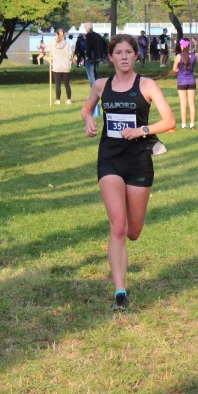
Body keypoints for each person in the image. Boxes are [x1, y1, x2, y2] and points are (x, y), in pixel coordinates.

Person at [81, 34, 175, 311]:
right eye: (118, 52)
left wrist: (141, 130)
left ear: (136, 55)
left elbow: (169, 121)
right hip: (109, 160)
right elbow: (86, 108)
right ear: (110, 57)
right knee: (119, 227)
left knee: (133, 231)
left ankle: (121, 284)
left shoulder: (147, 85)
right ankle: (120, 293)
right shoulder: (101, 85)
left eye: (128, 52)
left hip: (138, 162)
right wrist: (88, 119)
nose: (123, 57)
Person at [172, 36, 197, 129]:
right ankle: (192, 124)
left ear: (182, 46)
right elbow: (191, 67)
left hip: (181, 81)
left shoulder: (178, 56)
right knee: (191, 103)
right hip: (191, 81)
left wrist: (180, 69)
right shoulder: (194, 56)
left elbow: (174, 69)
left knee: (183, 104)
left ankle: (183, 125)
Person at [50, 29, 75, 104]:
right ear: (64, 35)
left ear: (56, 35)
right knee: (67, 84)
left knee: (58, 84)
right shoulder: (67, 44)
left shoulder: (52, 43)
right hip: (66, 66)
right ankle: (68, 100)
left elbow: (51, 54)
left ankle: (58, 100)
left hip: (57, 66)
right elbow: (70, 55)